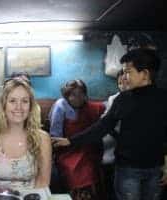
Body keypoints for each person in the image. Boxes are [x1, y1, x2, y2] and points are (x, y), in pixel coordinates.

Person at [54, 48, 167, 200]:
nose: (124, 77)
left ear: (145, 74)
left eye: (128, 72)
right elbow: (102, 127)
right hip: (128, 171)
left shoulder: (163, 100)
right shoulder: (123, 99)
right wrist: (70, 141)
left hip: (155, 170)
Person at [50, 80, 105, 200]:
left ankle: (89, 195)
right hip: (66, 149)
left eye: (81, 94)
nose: (78, 98)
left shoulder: (90, 107)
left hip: (86, 147)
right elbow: (55, 137)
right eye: (73, 95)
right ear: (67, 95)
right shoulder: (61, 106)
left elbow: (98, 128)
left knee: (90, 165)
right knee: (72, 168)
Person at [101, 70, 128, 200]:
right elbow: (106, 123)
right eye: (119, 82)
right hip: (114, 140)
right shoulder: (114, 99)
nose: (122, 85)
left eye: (125, 81)